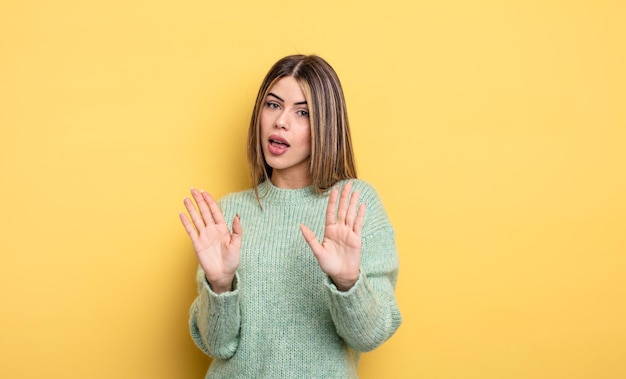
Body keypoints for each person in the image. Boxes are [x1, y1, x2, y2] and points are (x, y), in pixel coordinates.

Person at [179, 54, 402, 378]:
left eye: (303, 112)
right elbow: (217, 345)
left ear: (326, 123)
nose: (281, 121)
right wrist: (220, 284)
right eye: (272, 105)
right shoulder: (228, 214)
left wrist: (347, 282)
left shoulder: (353, 204)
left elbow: (369, 336)